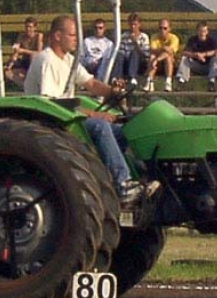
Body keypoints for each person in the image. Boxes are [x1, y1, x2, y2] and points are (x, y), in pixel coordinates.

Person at [24, 15, 158, 203]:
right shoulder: (47, 60)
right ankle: (122, 184)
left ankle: (122, 177)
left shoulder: (68, 60)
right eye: (72, 35)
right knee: (99, 126)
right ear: (57, 36)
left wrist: (113, 91)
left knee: (120, 132)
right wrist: (95, 114)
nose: (76, 40)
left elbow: (91, 83)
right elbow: (53, 105)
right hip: (52, 122)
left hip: (66, 117)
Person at [177, 20, 217, 92]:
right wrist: (195, 55)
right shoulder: (192, 40)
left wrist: (204, 54)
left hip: (209, 67)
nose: (202, 33)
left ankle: (212, 82)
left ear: (207, 32)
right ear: (197, 31)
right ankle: (181, 81)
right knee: (185, 59)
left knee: (216, 58)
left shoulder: (212, 40)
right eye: (200, 31)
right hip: (196, 66)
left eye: (204, 31)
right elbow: (185, 52)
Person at [111, 12, 151, 85]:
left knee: (134, 53)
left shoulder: (144, 37)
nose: (133, 27)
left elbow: (145, 55)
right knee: (119, 54)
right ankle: (116, 77)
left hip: (140, 62)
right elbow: (121, 52)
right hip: (126, 61)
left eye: (135, 24)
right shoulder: (124, 36)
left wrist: (135, 42)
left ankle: (132, 77)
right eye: (131, 24)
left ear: (139, 24)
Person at [5, 16, 44, 86]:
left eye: (30, 27)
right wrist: (10, 64)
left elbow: (39, 53)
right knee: (8, 73)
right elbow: (16, 50)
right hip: (25, 63)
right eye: (26, 27)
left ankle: (31, 83)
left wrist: (23, 51)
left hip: (36, 63)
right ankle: (26, 86)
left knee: (33, 56)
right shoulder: (21, 36)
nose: (28, 29)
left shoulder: (38, 36)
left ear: (35, 28)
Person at [144, 18, 180, 92]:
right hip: (157, 65)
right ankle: (149, 81)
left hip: (169, 64)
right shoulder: (154, 37)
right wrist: (163, 48)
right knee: (152, 56)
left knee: (168, 57)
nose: (162, 30)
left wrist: (157, 59)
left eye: (165, 28)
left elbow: (170, 51)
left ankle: (168, 82)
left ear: (169, 29)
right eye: (160, 28)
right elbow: (153, 50)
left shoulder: (174, 38)